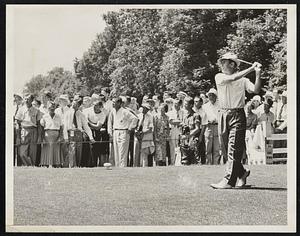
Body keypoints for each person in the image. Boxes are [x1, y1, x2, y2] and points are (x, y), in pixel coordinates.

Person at [210, 52, 262, 189]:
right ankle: (242, 173)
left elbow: (255, 90)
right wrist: (251, 69)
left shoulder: (243, 80)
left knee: (233, 148)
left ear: (232, 64)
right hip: (223, 114)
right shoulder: (219, 76)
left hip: (238, 115)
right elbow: (232, 78)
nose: (221, 64)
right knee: (226, 149)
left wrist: (257, 73)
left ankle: (229, 180)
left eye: (224, 62)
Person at [63, 96, 95, 167]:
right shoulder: (67, 113)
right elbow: (65, 126)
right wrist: (65, 137)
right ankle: (71, 166)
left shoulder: (81, 114)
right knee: (72, 150)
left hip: (79, 133)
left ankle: (77, 165)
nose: (74, 105)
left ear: (79, 106)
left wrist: (91, 137)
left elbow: (86, 127)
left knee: (79, 151)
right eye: (74, 103)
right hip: (71, 132)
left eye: (77, 104)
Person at [108, 97, 138, 167]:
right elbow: (110, 123)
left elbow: (135, 119)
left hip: (123, 131)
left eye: (114, 102)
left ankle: (123, 167)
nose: (113, 104)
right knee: (116, 152)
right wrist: (110, 133)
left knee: (122, 152)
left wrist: (130, 128)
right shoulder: (113, 111)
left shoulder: (124, 111)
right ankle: (118, 167)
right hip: (115, 131)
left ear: (119, 103)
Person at [15, 94, 43, 166]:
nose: (27, 100)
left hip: (34, 130)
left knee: (33, 152)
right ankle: (29, 165)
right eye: (25, 99)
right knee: (22, 153)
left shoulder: (36, 110)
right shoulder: (21, 109)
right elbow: (17, 123)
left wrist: (39, 136)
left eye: (28, 99)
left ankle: (32, 167)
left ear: (32, 100)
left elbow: (39, 124)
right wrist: (18, 137)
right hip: (24, 130)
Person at [84, 100, 109, 167]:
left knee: (95, 149)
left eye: (96, 105)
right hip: (87, 131)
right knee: (86, 148)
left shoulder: (103, 115)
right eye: (94, 105)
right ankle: (86, 165)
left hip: (96, 133)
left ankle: (93, 164)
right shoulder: (88, 110)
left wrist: (89, 123)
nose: (94, 107)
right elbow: (85, 121)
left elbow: (98, 127)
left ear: (100, 107)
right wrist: (90, 125)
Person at [40, 101, 63, 167]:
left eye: (53, 107)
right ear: (47, 108)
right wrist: (42, 139)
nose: (52, 108)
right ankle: (47, 164)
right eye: (50, 107)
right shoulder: (44, 116)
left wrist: (60, 137)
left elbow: (61, 127)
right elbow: (41, 128)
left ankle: (56, 164)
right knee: (48, 150)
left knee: (56, 150)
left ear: (55, 107)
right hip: (47, 135)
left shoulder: (58, 116)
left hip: (56, 135)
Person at [180, 96, 201, 165]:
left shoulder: (196, 115)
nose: (184, 105)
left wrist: (188, 136)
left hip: (193, 141)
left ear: (191, 105)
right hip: (185, 142)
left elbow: (197, 129)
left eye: (186, 104)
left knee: (194, 161)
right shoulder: (185, 115)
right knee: (185, 161)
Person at [203, 88, 222, 165]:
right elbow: (203, 118)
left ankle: (216, 164)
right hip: (208, 127)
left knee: (216, 149)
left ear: (216, 96)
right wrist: (208, 121)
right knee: (208, 148)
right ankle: (208, 164)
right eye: (209, 95)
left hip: (217, 126)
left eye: (212, 95)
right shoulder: (205, 106)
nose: (210, 97)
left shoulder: (220, 105)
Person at [55, 94, 71, 167]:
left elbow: (68, 124)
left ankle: (65, 165)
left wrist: (66, 136)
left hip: (67, 133)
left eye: (61, 100)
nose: (60, 101)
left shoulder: (70, 111)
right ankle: (58, 165)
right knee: (58, 150)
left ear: (65, 101)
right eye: (59, 100)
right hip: (57, 132)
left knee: (66, 150)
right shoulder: (57, 110)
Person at [167, 99, 184, 165]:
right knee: (172, 148)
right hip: (173, 131)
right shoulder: (170, 113)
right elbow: (171, 121)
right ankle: (172, 162)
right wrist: (180, 121)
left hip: (181, 131)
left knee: (181, 147)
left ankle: (181, 162)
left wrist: (176, 121)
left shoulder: (183, 112)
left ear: (180, 104)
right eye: (175, 104)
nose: (176, 105)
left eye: (177, 103)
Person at [193, 96, 207, 164]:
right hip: (193, 130)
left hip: (200, 131)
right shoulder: (192, 110)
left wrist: (201, 135)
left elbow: (204, 125)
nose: (195, 103)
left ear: (201, 102)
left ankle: (203, 163)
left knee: (201, 149)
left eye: (197, 101)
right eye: (194, 101)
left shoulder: (203, 112)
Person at [13, 93, 23, 166]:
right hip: (13, 129)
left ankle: (19, 164)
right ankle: (12, 164)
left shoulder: (23, 108)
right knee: (12, 146)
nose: (16, 100)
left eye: (18, 98)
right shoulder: (13, 107)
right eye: (16, 98)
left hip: (20, 129)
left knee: (19, 147)